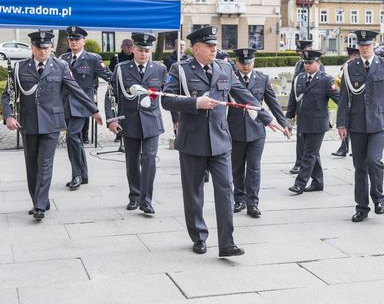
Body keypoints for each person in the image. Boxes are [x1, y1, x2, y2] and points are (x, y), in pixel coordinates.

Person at [161, 26, 283, 257]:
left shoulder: (225, 68)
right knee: (194, 193)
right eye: (209, 46)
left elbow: (244, 96)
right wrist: (195, 103)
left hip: (220, 140)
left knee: (226, 190)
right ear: (196, 49)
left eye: (215, 45)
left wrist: (266, 117)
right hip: (192, 142)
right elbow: (166, 100)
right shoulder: (180, 69)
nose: (214, 49)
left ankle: (227, 243)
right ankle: (199, 237)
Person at [2, 31, 102, 220]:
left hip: (52, 123)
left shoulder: (60, 66)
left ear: (51, 48)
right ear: (32, 48)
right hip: (29, 122)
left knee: (45, 163)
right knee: (32, 165)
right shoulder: (20, 67)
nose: (43, 51)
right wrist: (8, 116)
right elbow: (8, 94)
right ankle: (40, 200)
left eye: (46, 48)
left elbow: (76, 90)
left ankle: (39, 206)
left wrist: (94, 110)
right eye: (39, 48)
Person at [336, 30, 384, 222]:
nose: (364, 48)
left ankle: (379, 199)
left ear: (374, 46)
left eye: (368, 45)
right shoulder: (350, 67)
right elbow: (344, 97)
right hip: (357, 123)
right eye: (361, 45)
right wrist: (341, 123)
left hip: (379, 122)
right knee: (359, 167)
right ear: (358, 47)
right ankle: (362, 207)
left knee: (373, 160)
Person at [105, 33, 167, 215]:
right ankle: (134, 196)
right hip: (130, 121)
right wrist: (111, 119)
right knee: (132, 161)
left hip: (152, 121)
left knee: (149, 159)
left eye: (147, 51)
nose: (143, 54)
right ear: (133, 49)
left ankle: (146, 201)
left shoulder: (159, 69)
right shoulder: (121, 69)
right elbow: (111, 94)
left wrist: (178, 119)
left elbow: (168, 95)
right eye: (140, 50)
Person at [229, 48, 290, 217]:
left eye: (249, 63)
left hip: (256, 130)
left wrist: (283, 123)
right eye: (242, 63)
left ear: (253, 62)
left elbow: (272, 102)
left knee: (254, 167)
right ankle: (239, 199)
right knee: (237, 167)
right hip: (235, 129)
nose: (246, 66)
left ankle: (253, 203)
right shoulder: (230, 78)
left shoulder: (262, 78)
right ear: (237, 63)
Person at [60, 26, 112, 190]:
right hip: (65, 105)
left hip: (82, 105)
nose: (74, 42)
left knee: (72, 137)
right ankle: (83, 175)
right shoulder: (63, 58)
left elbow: (110, 77)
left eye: (77, 39)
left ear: (83, 41)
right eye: (71, 39)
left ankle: (76, 175)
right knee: (76, 139)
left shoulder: (93, 59)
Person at [287, 49, 340, 194]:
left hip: (317, 124)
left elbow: (339, 99)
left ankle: (299, 184)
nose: (307, 65)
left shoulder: (326, 80)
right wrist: (289, 118)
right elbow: (293, 99)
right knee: (312, 153)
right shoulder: (300, 78)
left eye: (310, 63)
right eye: (305, 63)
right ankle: (317, 182)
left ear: (318, 63)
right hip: (303, 122)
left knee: (308, 154)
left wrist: (347, 116)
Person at [289, 40, 325, 175]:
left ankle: (303, 174)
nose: (300, 54)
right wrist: (291, 113)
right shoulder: (300, 64)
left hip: (313, 111)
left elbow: (319, 87)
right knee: (302, 140)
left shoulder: (318, 66)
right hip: (301, 108)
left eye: (302, 51)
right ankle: (300, 163)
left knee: (311, 147)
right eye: (300, 52)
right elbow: (294, 87)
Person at [332, 46, 360, 157]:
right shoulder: (346, 67)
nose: (351, 58)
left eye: (354, 56)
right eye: (351, 56)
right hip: (347, 100)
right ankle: (344, 147)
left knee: (354, 126)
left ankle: (353, 148)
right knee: (345, 124)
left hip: (355, 101)